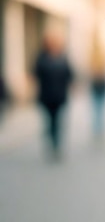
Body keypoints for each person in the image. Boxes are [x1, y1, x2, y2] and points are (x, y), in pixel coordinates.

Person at [33, 32, 74, 160]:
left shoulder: (63, 57)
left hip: (60, 96)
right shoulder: (41, 57)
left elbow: (70, 74)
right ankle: (51, 142)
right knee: (49, 122)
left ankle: (56, 146)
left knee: (58, 122)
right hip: (46, 96)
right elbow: (35, 74)